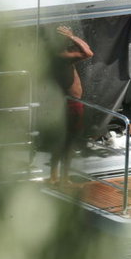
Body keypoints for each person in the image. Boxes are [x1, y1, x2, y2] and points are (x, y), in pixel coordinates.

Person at [49, 25, 94, 186]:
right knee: (66, 142)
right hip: (70, 105)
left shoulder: (60, 55)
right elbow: (88, 52)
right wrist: (72, 36)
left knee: (66, 142)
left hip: (69, 103)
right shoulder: (62, 56)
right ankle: (58, 177)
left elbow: (86, 50)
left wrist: (70, 37)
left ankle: (58, 177)